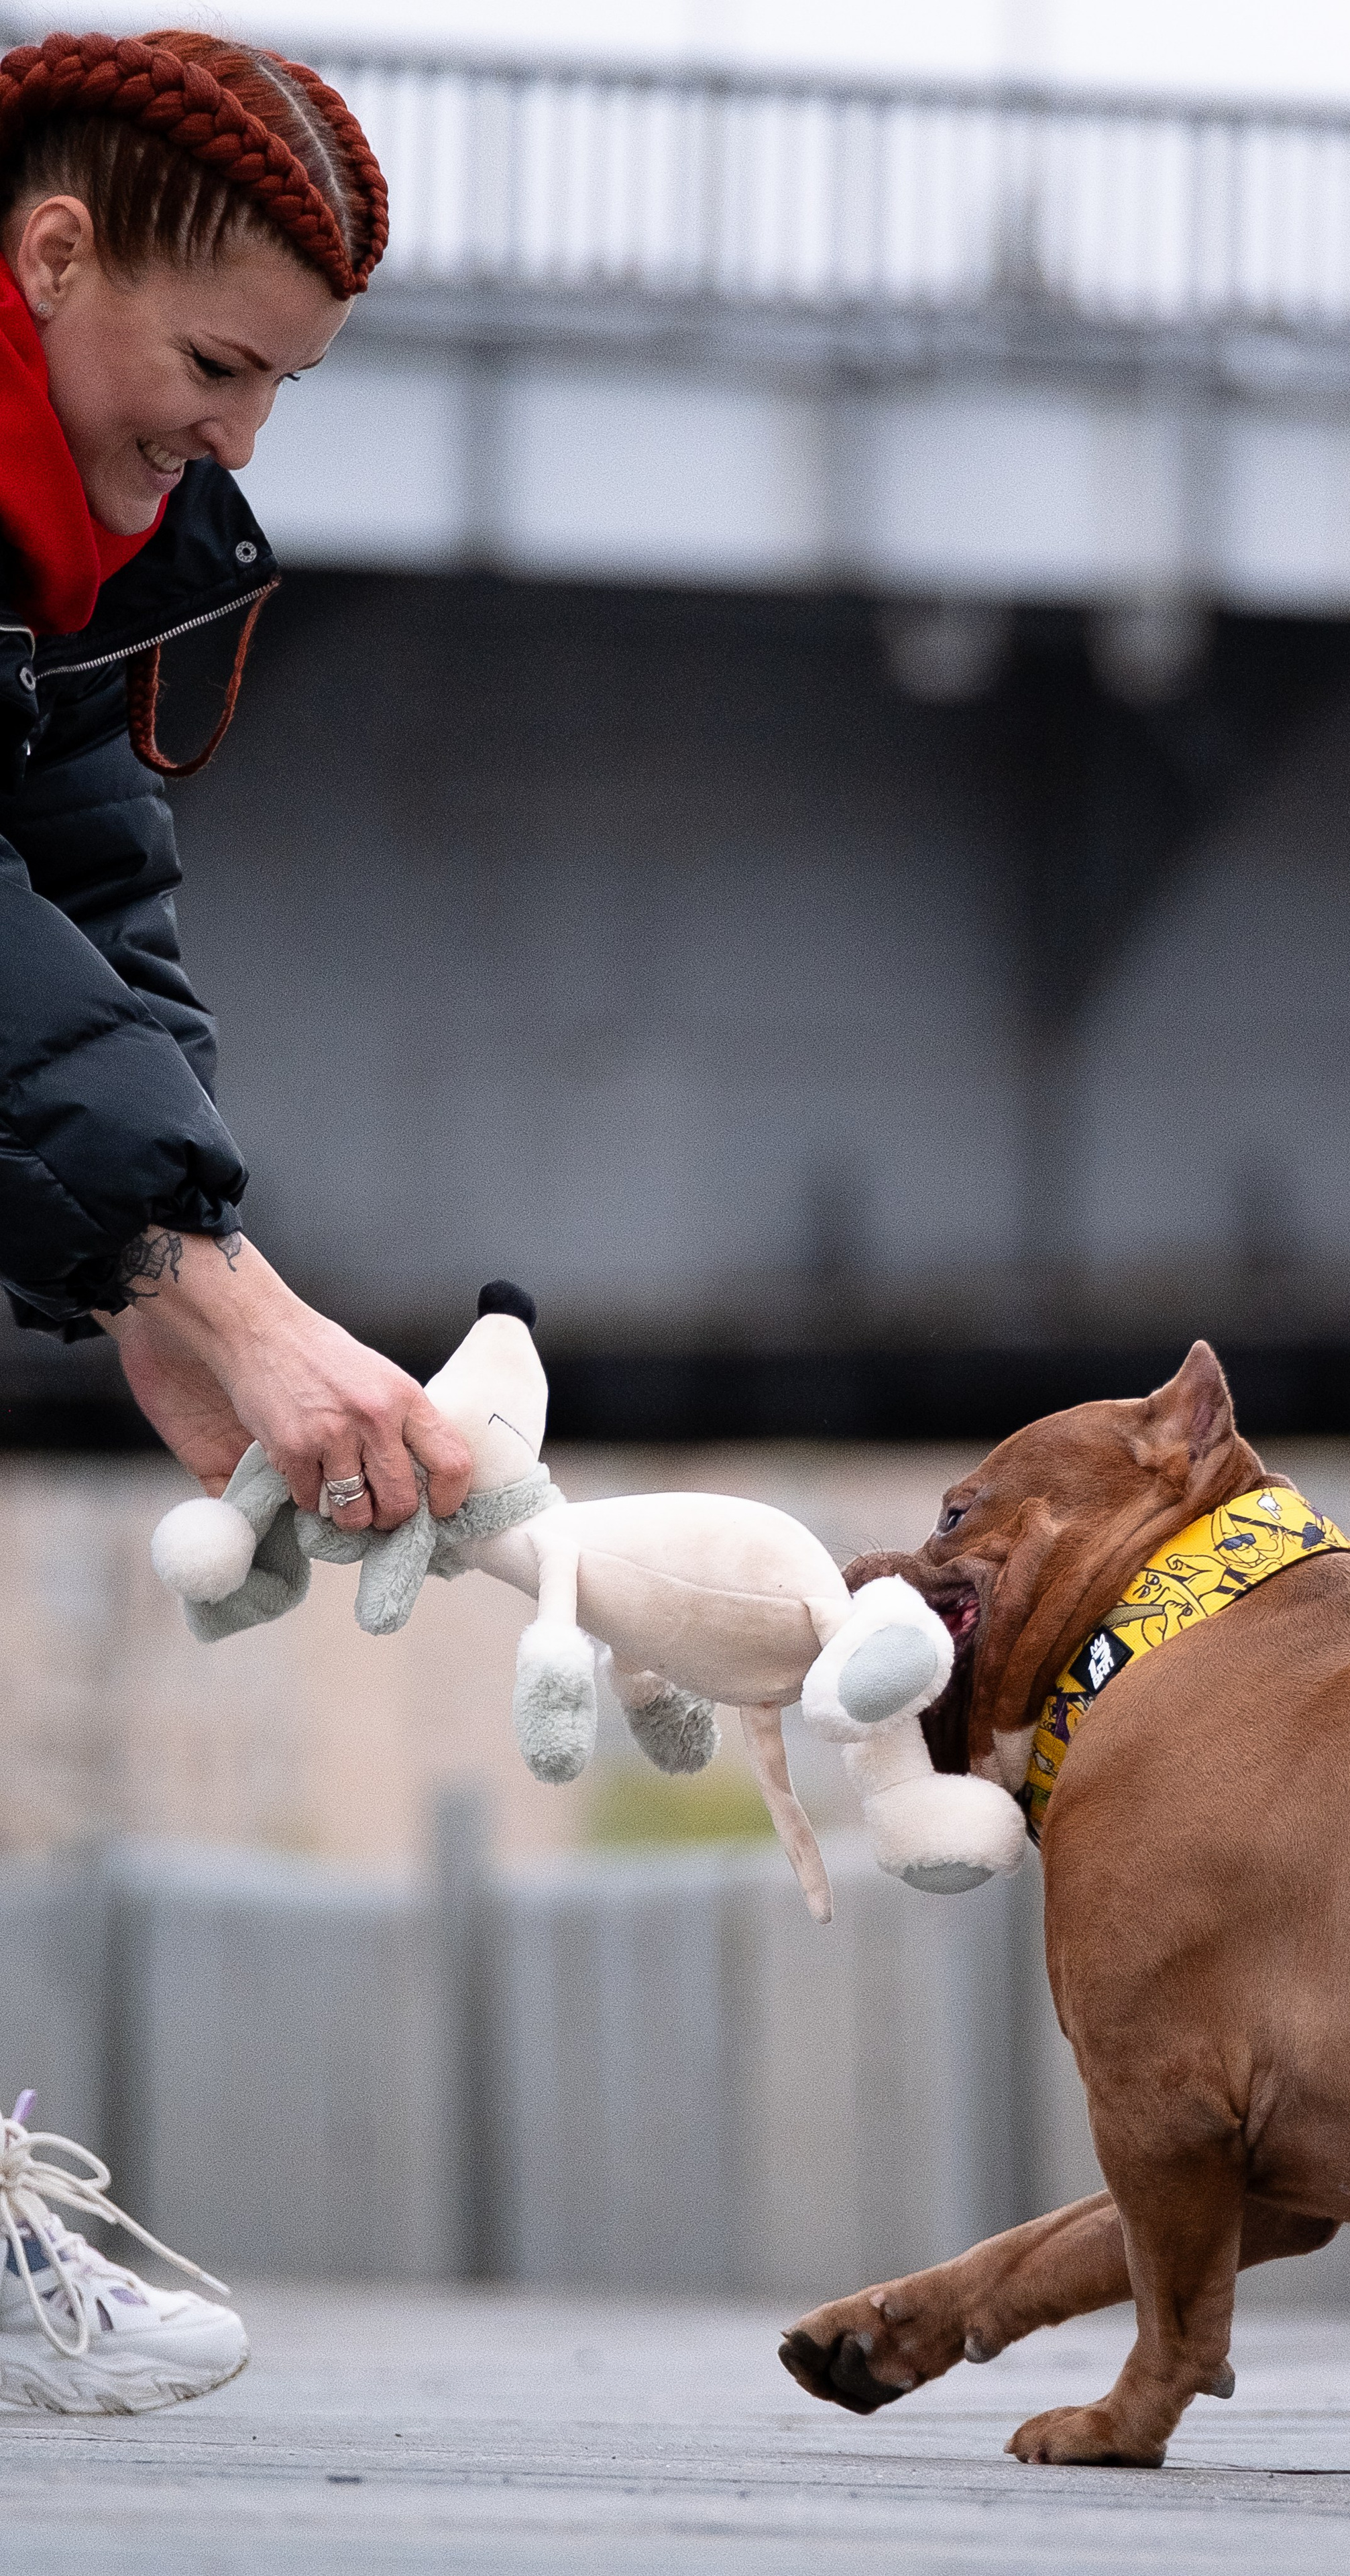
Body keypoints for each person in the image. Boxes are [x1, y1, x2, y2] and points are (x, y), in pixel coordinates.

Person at [0, 30, 471, 2413]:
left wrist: (154, 1284)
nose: (240, 439)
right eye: (214, 367)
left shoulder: (69, 543)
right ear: (50, 252)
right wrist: (213, 1280)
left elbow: (86, 895)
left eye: (281, 387)